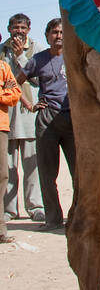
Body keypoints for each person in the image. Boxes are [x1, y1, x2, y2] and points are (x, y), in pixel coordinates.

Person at [11, 19, 76, 230]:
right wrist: (30, 105)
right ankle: (53, 218)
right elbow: (15, 83)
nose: (59, 36)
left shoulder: (74, 57)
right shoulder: (38, 60)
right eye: (54, 32)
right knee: (48, 173)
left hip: (72, 120)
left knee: (79, 172)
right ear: (47, 35)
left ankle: (77, 215)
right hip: (47, 120)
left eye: (61, 32)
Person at [0, 14, 44, 222]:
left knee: (31, 164)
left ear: (28, 29)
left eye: (22, 27)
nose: (19, 31)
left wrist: (21, 58)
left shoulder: (37, 49)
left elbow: (38, 78)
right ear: (9, 29)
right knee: (7, 166)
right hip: (6, 113)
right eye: (15, 27)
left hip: (29, 114)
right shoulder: (2, 50)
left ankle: (35, 206)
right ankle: (9, 209)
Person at [0, 51, 21, 245]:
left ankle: (1, 229)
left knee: (2, 176)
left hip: (1, 127)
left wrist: (4, 93)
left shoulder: (4, 68)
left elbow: (15, 94)